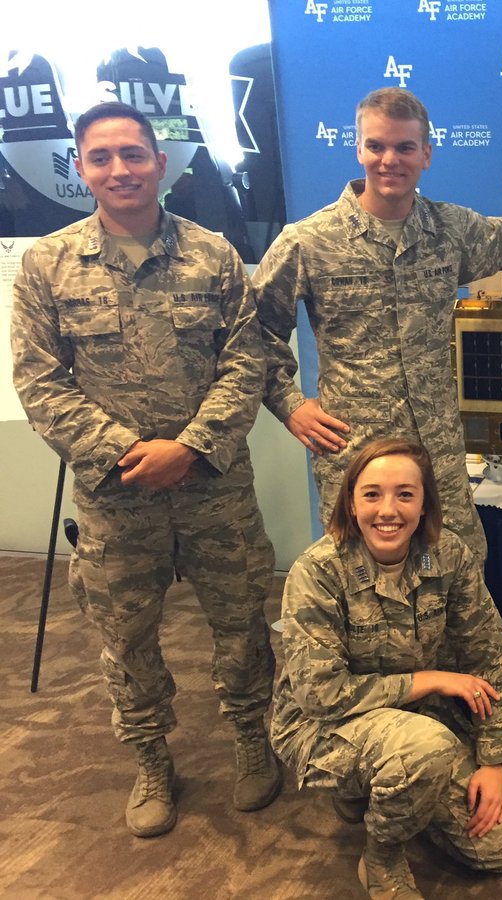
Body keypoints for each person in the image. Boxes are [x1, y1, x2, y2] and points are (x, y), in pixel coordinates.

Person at [10, 101, 279, 838]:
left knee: (241, 623)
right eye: (102, 157)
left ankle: (252, 738)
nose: (120, 170)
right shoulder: (47, 265)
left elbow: (246, 361)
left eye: (134, 154)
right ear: (81, 168)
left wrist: (188, 448)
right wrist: (127, 453)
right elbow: (39, 382)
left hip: (214, 487)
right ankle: (152, 758)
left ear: (161, 162)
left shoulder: (213, 255)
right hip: (115, 496)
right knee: (126, 639)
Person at [254, 87, 502, 561]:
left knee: (459, 572)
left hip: (437, 454)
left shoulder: (451, 230)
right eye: (377, 146)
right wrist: (290, 405)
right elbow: (254, 333)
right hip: (357, 452)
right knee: (359, 579)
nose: (389, 160)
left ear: (426, 153)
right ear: (358, 148)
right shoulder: (308, 241)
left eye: (405, 147)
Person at [271, 438, 502, 899]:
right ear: (351, 501)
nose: (388, 510)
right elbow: (321, 696)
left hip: (414, 720)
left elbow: (494, 659)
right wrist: (428, 680)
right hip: (321, 725)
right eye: (372, 494)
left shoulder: (448, 556)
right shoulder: (318, 571)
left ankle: (395, 786)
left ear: (424, 501)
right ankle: (382, 857)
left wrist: (494, 762)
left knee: (500, 850)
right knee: (423, 750)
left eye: (405, 494)